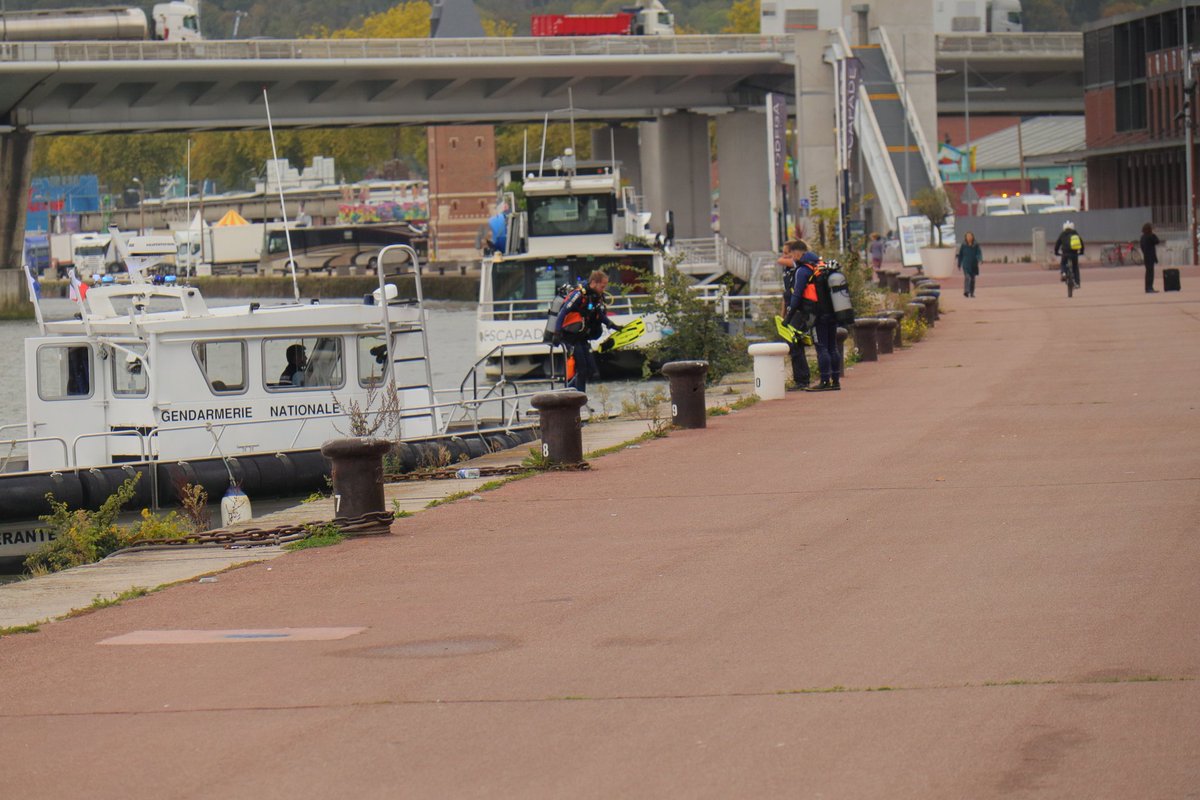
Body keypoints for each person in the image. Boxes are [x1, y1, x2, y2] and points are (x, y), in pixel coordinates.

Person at [552, 270, 622, 393]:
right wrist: (557, 333)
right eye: (602, 286)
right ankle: (577, 396)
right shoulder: (578, 295)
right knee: (582, 369)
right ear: (594, 283)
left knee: (590, 370)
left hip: (582, 336)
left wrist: (613, 326)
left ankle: (569, 391)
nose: (603, 290)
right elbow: (563, 312)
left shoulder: (595, 297)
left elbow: (599, 315)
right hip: (570, 336)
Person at [785, 251, 843, 391]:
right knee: (832, 347)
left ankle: (824, 381)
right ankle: (835, 381)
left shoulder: (803, 271)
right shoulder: (824, 268)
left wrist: (789, 317)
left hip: (817, 315)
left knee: (821, 348)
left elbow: (797, 294)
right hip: (833, 313)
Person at [778, 239, 810, 390]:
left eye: (787, 253)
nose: (784, 256)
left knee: (795, 344)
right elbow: (786, 294)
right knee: (794, 345)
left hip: (799, 310)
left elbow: (781, 261)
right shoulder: (787, 270)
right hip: (791, 310)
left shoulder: (798, 267)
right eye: (783, 253)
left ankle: (802, 379)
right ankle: (801, 378)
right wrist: (783, 314)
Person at [1054, 221, 1084, 289]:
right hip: (1074, 254)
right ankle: (1077, 283)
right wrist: (1081, 251)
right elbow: (1081, 243)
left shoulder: (1062, 234)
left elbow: (1057, 244)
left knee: (1063, 263)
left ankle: (1063, 273)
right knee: (1075, 267)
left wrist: (1056, 252)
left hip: (1065, 253)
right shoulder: (1075, 233)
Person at [956, 231, 982, 298]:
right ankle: (966, 291)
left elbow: (979, 253)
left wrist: (979, 259)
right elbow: (960, 255)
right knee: (967, 277)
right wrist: (959, 264)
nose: (969, 237)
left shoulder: (976, 245)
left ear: (972, 237)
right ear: (965, 237)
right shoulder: (963, 245)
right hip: (966, 264)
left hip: (973, 264)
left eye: (970, 236)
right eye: (967, 236)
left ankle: (972, 293)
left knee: (973, 279)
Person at [1140, 222, 1160, 293]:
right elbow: (1157, 241)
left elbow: (1142, 247)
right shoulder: (1150, 236)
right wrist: (1153, 234)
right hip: (1150, 257)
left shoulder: (1142, 237)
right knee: (1150, 273)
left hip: (1146, 257)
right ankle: (1149, 288)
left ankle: (1147, 287)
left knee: (1148, 273)